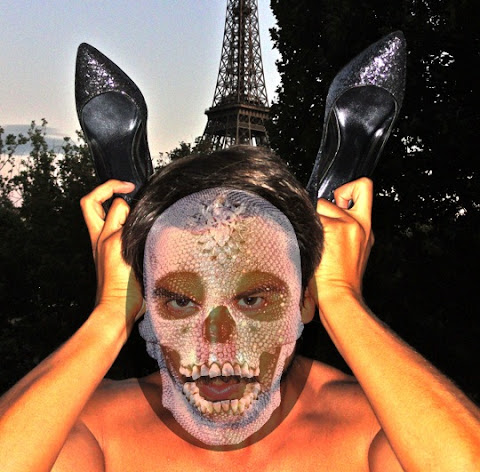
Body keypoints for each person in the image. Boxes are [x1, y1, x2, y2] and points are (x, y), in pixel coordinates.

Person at [0, 146, 479, 471]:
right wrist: (109, 314)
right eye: (181, 300)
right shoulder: (92, 429)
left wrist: (340, 296)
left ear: (303, 300)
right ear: (147, 305)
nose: (216, 340)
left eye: (252, 299)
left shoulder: (377, 429)